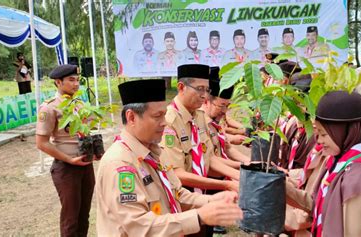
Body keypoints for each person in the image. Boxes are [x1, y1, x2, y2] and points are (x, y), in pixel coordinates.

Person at [95, 79, 243, 236]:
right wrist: (198, 216)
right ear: (131, 118)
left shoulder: (154, 152)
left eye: (164, 115)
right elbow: (138, 226)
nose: (165, 123)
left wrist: (211, 202)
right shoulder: (120, 164)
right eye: (157, 116)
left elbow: (176, 193)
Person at [286, 91, 361, 237]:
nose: (319, 141)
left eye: (323, 134)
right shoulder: (338, 161)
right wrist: (281, 185)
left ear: (345, 132)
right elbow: (318, 204)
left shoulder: (359, 182)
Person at [35, 64, 96, 237]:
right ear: (58, 82)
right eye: (71, 80)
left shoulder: (79, 104)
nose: (76, 84)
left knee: (84, 216)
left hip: (85, 164)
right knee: (70, 220)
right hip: (67, 168)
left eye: (77, 80)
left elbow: (86, 130)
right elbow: (41, 143)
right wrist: (69, 160)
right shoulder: (49, 107)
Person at [159, 64, 240, 192]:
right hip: (184, 192)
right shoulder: (169, 121)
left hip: (203, 186)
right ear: (181, 87)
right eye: (200, 89)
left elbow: (208, 158)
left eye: (207, 90)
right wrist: (225, 185)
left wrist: (240, 174)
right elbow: (177, 173)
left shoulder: (199, 116)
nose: (204, 96)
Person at [202, 67, 250, 166]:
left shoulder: (215, 123)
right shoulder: (198, 124)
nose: (225, 111)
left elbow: (228, 148)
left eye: (227, 106)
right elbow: (211, 161)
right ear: (206, 102)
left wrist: (251, 162)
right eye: (221, 106)